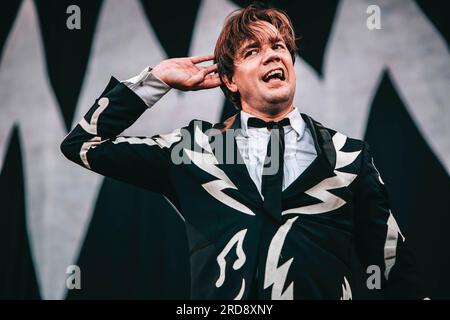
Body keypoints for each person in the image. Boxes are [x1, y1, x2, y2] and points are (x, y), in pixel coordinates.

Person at [61, 3, 424, 299]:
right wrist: (156, 79)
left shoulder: (349, 156)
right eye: (253, 51)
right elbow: (83, 144)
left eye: (278, 47)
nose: (271, 56)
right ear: (230, 80)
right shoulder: (194, 149)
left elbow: (391, 262)